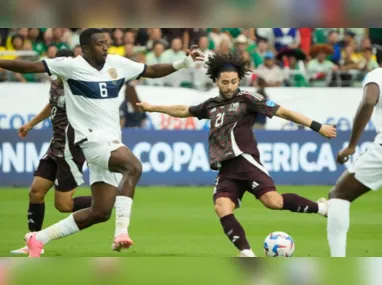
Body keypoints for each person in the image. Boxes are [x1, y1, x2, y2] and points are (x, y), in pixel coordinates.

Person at [0, 28, 203, 257]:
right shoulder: (70, 66)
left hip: (111, 140)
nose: (105, 47)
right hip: (90, 139)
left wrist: (184, 62)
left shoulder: (117, 64)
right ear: (86, 48)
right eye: (99, 44)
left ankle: (38, 239)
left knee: (100, 212)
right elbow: (30, 66)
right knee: (133, 166)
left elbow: (152, 70)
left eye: (106, 43)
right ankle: (121, 233)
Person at [137, 53, 337, 257]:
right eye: (225, 82)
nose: (230, 86)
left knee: (273, 202)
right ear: (216, 81)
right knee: (221, 206)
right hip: (226, 168)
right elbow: (183, 110)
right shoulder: (211, 105)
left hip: (245, 161)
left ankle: (322, 208)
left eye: (233, 82)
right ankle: (247, 253)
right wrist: (153, 108)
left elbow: (283, 112)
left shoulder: (248, 99)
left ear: (239, 80)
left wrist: (317, 126)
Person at [10, 49, 92, 255]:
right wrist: (31, 124)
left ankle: (110, 200)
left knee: (63, 205)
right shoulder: (55, 82)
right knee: (35, 192)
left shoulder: (78, 84)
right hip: (54, 145)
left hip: (71, 149)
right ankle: (33, 242)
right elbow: (52, 105)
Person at [327, 68, 382, 257]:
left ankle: (338, 262)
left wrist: (351, 145)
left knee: (339, 195)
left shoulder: (377, 74)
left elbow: (368, 101)